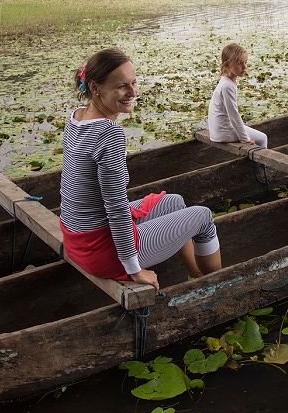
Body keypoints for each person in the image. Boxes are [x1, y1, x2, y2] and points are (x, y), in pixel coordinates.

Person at [59, 48, 222, 291]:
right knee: (204, 216)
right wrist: (134, 269)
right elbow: (115, 208)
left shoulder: (76, 117)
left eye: (134, 83)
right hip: (102, 252)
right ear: (95, 88)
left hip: (76, 239)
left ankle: (195, 275)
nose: (133, 93)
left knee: (175, 201)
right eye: (122, 86)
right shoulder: (109, 133)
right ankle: (218, 285)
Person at [207, 42, 268, 148]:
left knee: (250, 131)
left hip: (218, 130)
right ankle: (261, 164)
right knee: (263, 138)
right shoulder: (227, 86)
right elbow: (233, 115)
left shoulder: (226, 81)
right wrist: (245, 139)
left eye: (245, 62)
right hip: (223, 133)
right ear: (227, 65)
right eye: (239, 63)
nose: (244, 67)